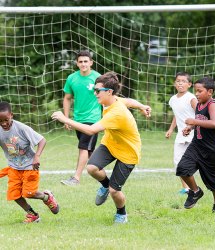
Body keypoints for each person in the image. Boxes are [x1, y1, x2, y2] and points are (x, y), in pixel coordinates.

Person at [52, 71, 150, 224]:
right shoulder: (111, 101)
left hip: (128, 152)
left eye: (98, 91)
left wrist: (65, 119)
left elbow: (91, 130)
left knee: (115, 191)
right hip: (110, 144)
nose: (95, 93)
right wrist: (142, 106)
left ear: (109, 92)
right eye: (94, 90)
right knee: (91, 168)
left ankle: (121, 213)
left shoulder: (117, 113)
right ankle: (105, 185)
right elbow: (128, 101)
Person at [0, 101, 59, 223]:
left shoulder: (21, 128)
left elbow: (42, 140)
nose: (3, 123)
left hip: (29, 166)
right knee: (14, 194)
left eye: (6, 120)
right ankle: (33, 215)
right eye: (0, 121)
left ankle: (47, 197)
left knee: (29, 193)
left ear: (11, 115)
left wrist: (37, 156)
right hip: (13, 168)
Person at [176, 77, 215, 212]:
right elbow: (199, 122)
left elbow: (214, 123)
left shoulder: (212, 104)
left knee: (213, 182)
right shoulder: (198, 104)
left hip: (212, 149)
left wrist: (194, 121)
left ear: (210, 92)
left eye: (199, 91)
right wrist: (190, 127)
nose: (196, 94)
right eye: (195, 91)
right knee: (182, 168)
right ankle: (196, 191)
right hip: (197, 145)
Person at [61, 50, 102, 186]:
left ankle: (76, 178)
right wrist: (67, 118)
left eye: (86, 61)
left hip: (93, 119)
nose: (83, 64)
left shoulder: (98, 78)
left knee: (83, 147)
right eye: (80, 62)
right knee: (90, 152)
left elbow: (106, 98)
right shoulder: (72, 78)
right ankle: (106, 181)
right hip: (78, 119)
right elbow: (67, 98)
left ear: (91, 62)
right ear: (77, 64)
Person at [165, 72, 198, 194]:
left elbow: (199, 114)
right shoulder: (173, 99)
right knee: (178, 162)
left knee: (197, 162)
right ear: (175, 83)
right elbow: (176, 115)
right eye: (178, 81)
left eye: (183, 81)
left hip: (193, 134)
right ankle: (186, 188)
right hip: (180, 135)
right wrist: (170, 129)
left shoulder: (191, 98)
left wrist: (191, 126)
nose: (180, 83)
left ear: (189, 84)